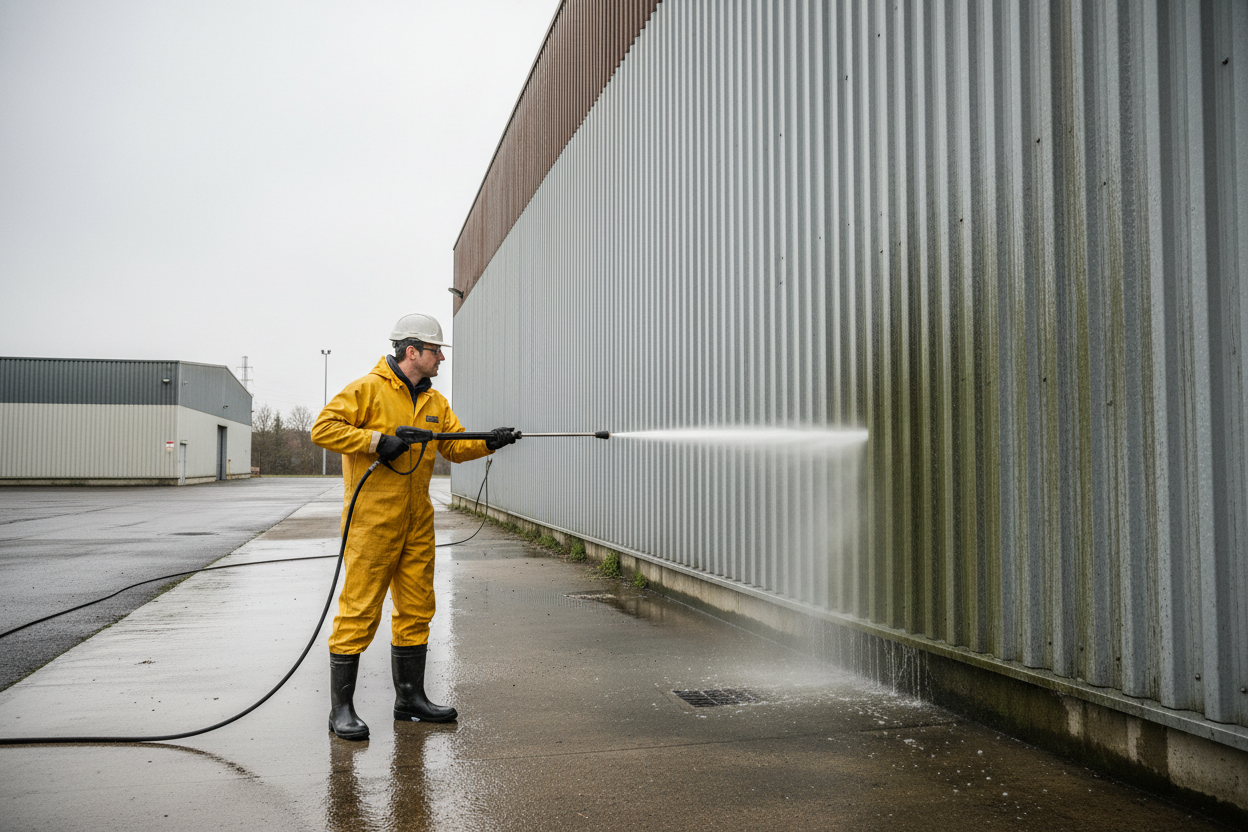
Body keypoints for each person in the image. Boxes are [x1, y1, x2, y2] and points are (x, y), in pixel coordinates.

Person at [311, 312, 516, 741]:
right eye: (435, 351)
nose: (441, 358)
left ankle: (410, 700)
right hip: (372, 522)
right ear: (412, 352)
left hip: (417, 522)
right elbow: (323, 428)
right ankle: (341, 711)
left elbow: (455, 446)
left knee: (418, 607)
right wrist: (375, 441)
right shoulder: (366, 390)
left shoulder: (434, 403)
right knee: (359, 610)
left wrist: (489, 441)